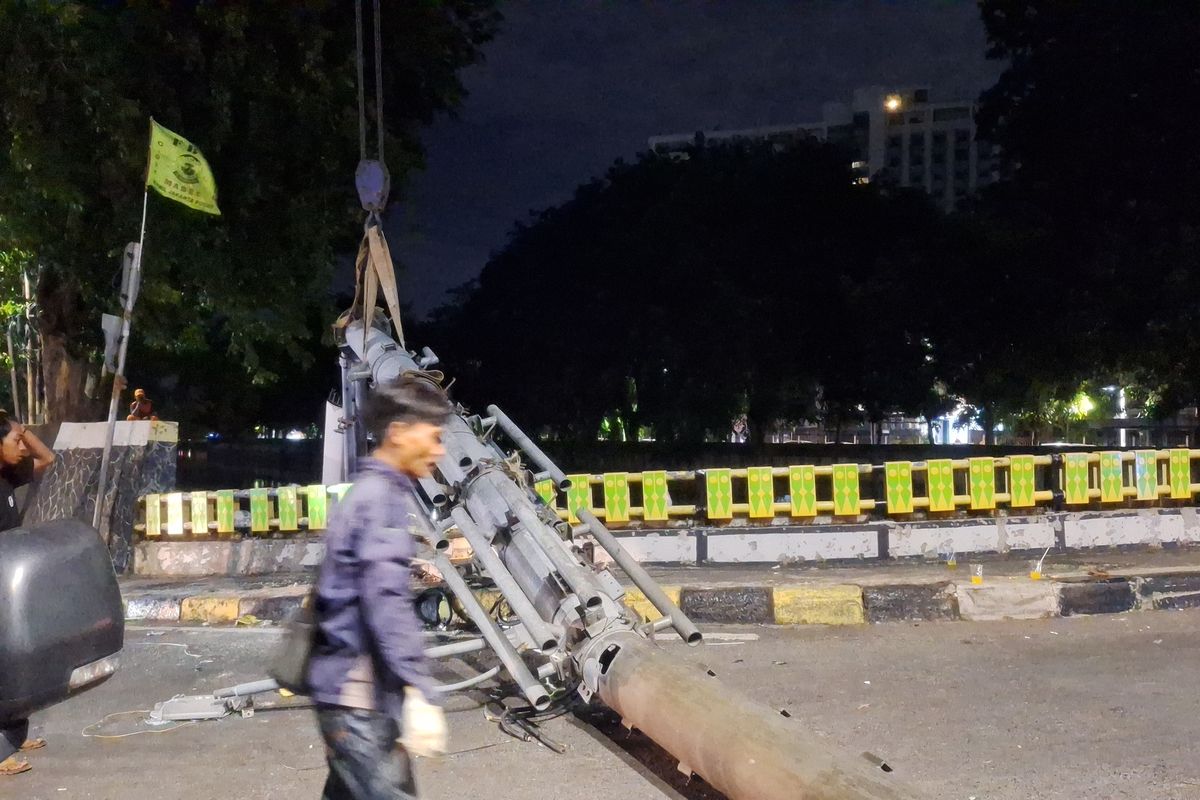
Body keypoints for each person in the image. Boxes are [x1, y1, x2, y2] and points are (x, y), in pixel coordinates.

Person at [308, 375, 451, 799]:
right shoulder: (380, 500)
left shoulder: (370, 492)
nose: (440, 451)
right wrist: (419, 688)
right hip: (357, 702)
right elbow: (385, 601)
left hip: (344, 694)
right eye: (435, 436)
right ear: (400, 432)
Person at [0, 412, 56, 777]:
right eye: (15, 442)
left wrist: (22, 430)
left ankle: (13, 737)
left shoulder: (7, 474)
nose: (22, 448)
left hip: (6, 584)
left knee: (16, 662)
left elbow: (47, 459)